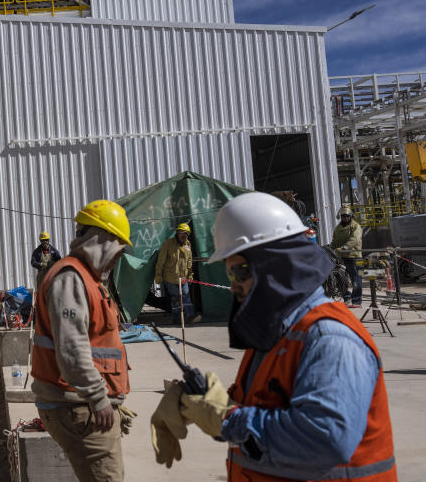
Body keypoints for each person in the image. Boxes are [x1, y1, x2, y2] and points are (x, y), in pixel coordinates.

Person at [150, 192, 396, 480]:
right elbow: (267, 406)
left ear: (274, 265)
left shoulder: (329, 338)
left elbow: (324, 440)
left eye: (238, 274)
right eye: (229, 276)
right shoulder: (278, 332)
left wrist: (227, 419)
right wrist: (199, 399)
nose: (234, 287)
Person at [31, 199, 134, 481]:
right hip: (78, 407)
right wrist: (99, 398)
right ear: (102, 240)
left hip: (83, 405)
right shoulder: (71, 278)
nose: (118, 257)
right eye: (118, 249)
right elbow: (71, 350)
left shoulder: (87, 278)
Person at [154, 223, 200, 324]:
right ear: (177, 233)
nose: (185, 235)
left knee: (185, 296)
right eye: (182, 233)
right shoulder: (168, 244)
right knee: (176, 298)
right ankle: (182, 317)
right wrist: (158, 275)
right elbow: (161, 260)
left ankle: (185, 316)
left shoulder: (188, 244)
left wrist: (190, 275)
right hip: (170, 278)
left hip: (183, 278)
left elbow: (189, 261)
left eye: (187, 234)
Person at [332, 206, 363, 308]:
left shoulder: (355, 226)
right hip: (342, 258)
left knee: (356, 279)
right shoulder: (338, 228)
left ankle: (356, 301)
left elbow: (355, 239)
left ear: (350, 216)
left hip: (355, 257)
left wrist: (344, 247)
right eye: (343, 216)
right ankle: (347, 297)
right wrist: (330, 247)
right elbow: (335, 241)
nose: (345, 217)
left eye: (347, 216)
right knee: (340, 279)